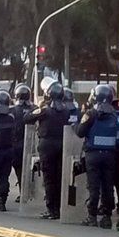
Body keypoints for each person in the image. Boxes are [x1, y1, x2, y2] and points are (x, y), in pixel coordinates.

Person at [74, 84, 119, 228]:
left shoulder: (91, 114)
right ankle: (107, 216)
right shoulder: (117, 115)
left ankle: (91, 216)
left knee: (94, 186)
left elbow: (79, 132)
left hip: (93, 155)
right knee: (108, 186)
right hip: (110, 155)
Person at [24, 82, 74, 220]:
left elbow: (27, 118)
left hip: (47, 145)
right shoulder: (66, 111)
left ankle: (51, 209)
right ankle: (58, 208)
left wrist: (39, 107)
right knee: (59, 177)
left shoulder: (45, 110)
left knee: (49, 178)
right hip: (62, 144)